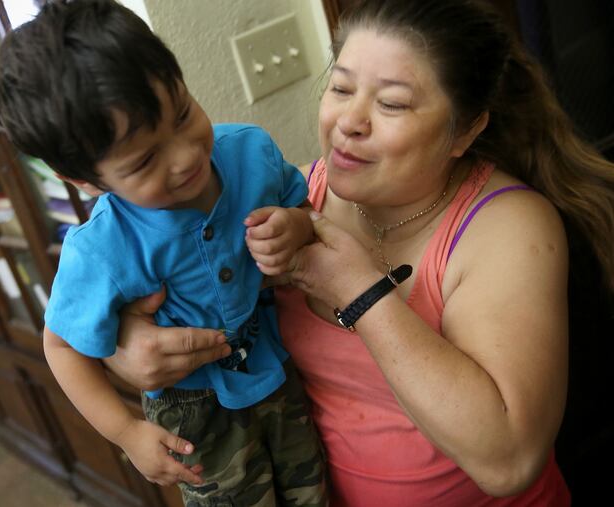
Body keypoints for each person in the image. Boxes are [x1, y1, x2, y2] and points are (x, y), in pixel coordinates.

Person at [106, 0, 614, 505]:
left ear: (465, 131)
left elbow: (509, 462)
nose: (349, 120)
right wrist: (129, 350)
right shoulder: (298, 196)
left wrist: (359, 291)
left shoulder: (507, 226)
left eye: (391, 104)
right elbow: (193, 302)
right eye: (342, 87)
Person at [0, 1, 327, 505]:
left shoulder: (251, 152)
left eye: (183, 113)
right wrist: (125, 432)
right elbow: (62, 348)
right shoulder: (102, 249)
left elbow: (305, 209)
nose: (187, 154)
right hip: (193, 415)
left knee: (313, 492)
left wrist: (296, 225)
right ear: (85, 180)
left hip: (279, 369)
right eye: (145, 158)